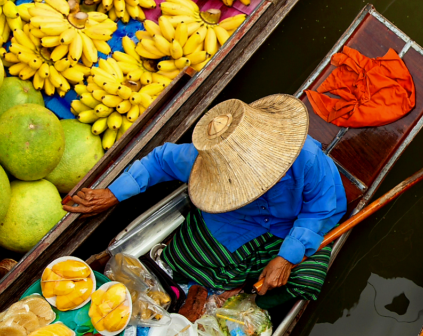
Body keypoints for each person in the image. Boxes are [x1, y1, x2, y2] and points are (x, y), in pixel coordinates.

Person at [65, 95, 347, 307]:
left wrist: (286, 257)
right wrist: (113, 194)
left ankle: (251, 301)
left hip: (295, 225)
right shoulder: (205, 161)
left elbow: (320, 210)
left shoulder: (307, 159)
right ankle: (224, 288)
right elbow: (160, 161)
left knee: (307, 279)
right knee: (183, 261)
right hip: (234, 221)